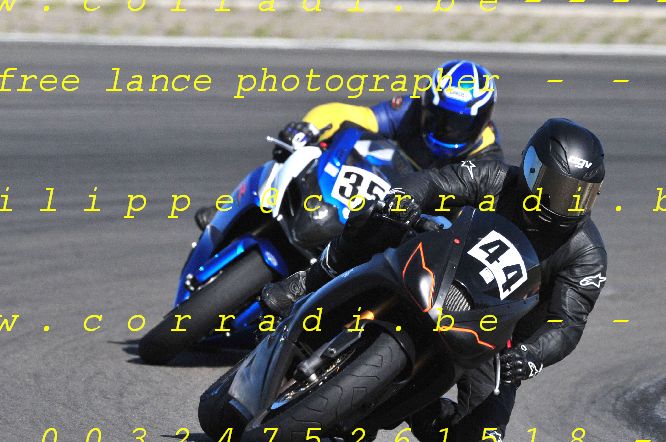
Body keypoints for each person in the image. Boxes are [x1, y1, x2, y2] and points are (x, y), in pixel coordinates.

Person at [261, 118, 608, 441]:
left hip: (495, 338)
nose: (572, 204)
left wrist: (532, 355)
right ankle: (312, 280)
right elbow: (438, 181)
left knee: (482, 435)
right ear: (533, 169)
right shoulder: (498, 179)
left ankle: (423, 411)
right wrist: (406, 198)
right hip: (437, 269)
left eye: (583, 194)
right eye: (563, 190)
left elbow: (568, 324)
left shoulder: (587, 253)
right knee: (380, 214)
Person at [194, 59, 500, 230]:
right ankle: (230, 211)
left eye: (459, 123)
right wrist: (309, 128)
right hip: (369, 188)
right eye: (438, 117)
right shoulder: (410, 110)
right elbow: (349, 114)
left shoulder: (487, 161)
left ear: (484, 121)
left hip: (409, 222)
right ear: (427, 104)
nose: (447, 129)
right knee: (297, 151)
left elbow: (475, 221)